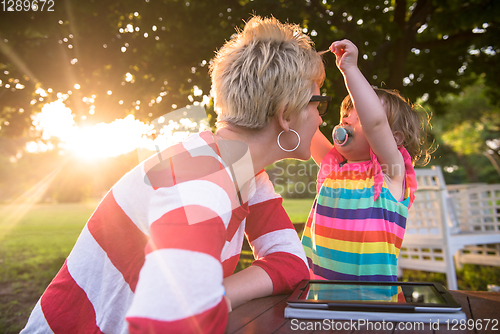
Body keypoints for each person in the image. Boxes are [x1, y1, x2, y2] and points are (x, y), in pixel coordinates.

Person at [22, 16, 326, 333]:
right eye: (320, 103)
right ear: (287, 114)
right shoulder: (200, 182)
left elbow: (292, 263)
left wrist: (218, 295)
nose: (320, 119)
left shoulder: (244, 173)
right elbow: (171, 324)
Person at [302, 39, 428, 282]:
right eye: (346, 113)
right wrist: (300, 82)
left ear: (394, 138)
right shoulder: (334, 167)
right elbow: (306, 124)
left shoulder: (391, 171)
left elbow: (376, 124)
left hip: (369, 300)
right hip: (316, 291)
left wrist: (349, 69)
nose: (347, 118)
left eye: (359, 115)